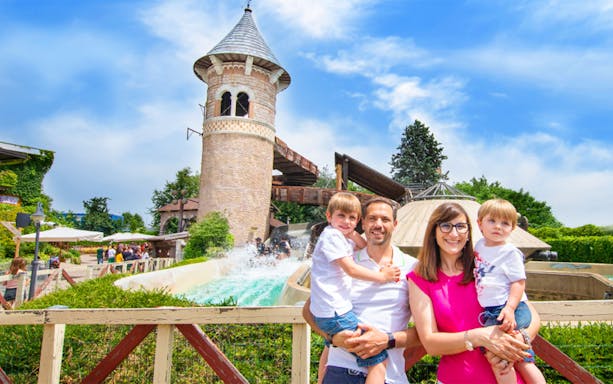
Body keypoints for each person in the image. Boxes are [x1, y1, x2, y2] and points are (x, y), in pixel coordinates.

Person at [407, 202, 541, 384]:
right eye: (445, 226)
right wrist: (479, 337)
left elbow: (530, 313)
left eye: (460, 226)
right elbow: (430, 343)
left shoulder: (484, 267)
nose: (454, 234)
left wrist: (517, 340)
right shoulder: (420, 279)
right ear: (433, 231)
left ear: (469, 232)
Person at [304, 196, 420, 384]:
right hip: (341, 371)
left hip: (389, 377)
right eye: (372, 219)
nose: (378, 224)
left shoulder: (413, 267)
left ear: (395, 224)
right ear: (363, 223)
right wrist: (333, 338)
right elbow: (309, 311)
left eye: (385, 219)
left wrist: (387, 340)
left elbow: (427, 331)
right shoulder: (344, 261)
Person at [475, 199, 546, 384]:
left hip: (507, 309)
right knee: (513, 357)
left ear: (513, 228)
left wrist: (510, 308)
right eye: (492, 221)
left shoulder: (510, 252)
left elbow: (518, 283)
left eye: (505, 223)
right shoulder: (479, 246)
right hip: (493, 310)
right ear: (480, 223)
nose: (498, 227)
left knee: (505, 358)